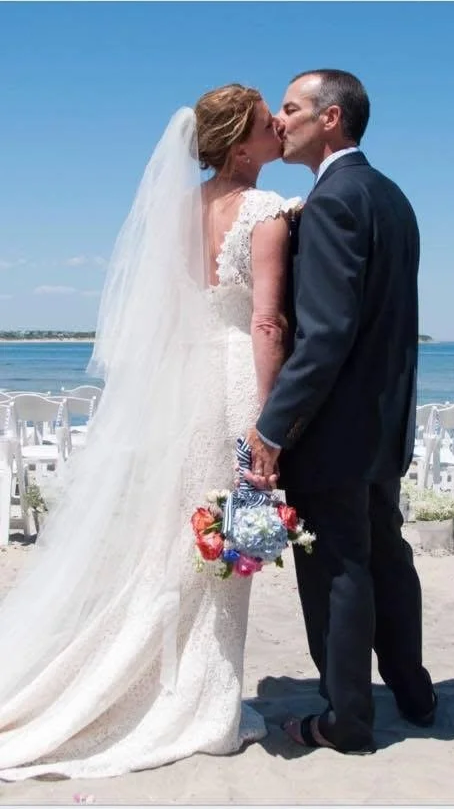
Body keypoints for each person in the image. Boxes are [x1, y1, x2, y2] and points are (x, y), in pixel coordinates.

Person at [0, 84, 300, 779]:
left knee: (179, 538)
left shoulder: (180, 207)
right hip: (230, 382)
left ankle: (167, 684)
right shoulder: (264, 211)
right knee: (227, 539)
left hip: (178, 384)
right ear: (238, 144)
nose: (278, 130)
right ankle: (205, 703)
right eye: (265, 125)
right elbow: (266, 323)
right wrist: (270, 420)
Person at [247, 69, 436, 754]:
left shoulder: (331, 203)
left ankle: (346, 718)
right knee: (386, 553)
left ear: (330, 119)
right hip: (385, 422)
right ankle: (413, 691)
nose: (280, 121)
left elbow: (325, 334)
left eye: (291, 109)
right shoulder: (390, 196)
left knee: (339, 569)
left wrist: (272, 428)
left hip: (334, 429)